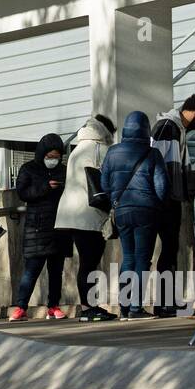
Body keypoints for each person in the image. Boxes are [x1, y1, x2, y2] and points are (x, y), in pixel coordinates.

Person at [150, 93, 195, 316]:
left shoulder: (174, 127)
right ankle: (164, 303)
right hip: (166, 199)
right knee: (168, 251)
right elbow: (161, 163)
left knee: (170, 251)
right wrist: (169, 195)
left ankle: (168, 301)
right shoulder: (170, 127)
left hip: (167, 197)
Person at [99, 111, 169, 320]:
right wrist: (157, 205)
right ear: (146, 130)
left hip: (121, 211)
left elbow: (104, 184)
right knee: (142, 259)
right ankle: (136, 308)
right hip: (145, 211)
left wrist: (115, 201)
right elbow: (162, 187)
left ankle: (124, 306)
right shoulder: (152, 153)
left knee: (128, 257)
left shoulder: (112, 152)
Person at [52, 116, 120, 321]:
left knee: (86, 262)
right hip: (88, 214)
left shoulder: (77, 149)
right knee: (90, 262)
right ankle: (89, 308)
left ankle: (88, 307)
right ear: (106, 132)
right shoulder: (100, 149)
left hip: (69, 214)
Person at [11, 132, 70, 321]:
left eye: (56, 157)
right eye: (50, 156)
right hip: (36, 228)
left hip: (59, 227)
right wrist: (45, 187)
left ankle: (53, 306)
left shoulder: (64, 170)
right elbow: (23, 192)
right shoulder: (28, 168)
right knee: (31, 271)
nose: (53, 160)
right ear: (42, 153)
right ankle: (21, 307)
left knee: (56, 272)